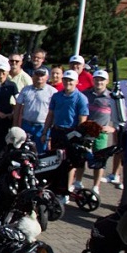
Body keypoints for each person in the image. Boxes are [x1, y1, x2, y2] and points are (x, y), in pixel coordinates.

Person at [44, 69, 90, 197]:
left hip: (71, 133)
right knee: (55, 160)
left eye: (71, 80)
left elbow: (82, 120)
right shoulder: (56, 96)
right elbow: (50, 115)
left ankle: (66, 191)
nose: (68, 82)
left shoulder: (81, 98)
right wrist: (45, 132)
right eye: (65, 79)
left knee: (68, 164)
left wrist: (77, 137)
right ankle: (54, 188)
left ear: (76, 82)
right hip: (57, 131)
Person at [77, 70, 120, 194]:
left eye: (102, 79)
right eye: (96, 79)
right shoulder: (85, 94)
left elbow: (119, 116)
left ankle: (96, 186)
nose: (99, 82)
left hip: (101, 134)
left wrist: (113, 128)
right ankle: (78, 181)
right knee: (81, 158)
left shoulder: (112, 97)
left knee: (99, 160)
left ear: (107, 81)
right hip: (85, 131)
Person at [13, 68, 56, 152]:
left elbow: (54, 112)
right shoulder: (25, 89)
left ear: (47, 77)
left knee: (41, 152)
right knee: (23, 150)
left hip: (42, 127)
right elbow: (18, 108)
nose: (39, 77)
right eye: (37, 75)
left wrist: (50, 130)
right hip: (26, 124)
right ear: (33, 76)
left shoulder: (52, 92)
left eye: (42, 75)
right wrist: (15, 125)